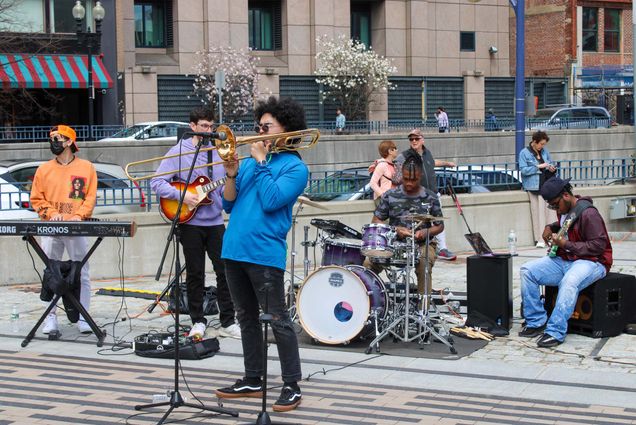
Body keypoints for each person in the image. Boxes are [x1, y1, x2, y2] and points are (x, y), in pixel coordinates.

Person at [215, 96, 307, 412]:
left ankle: (292, 385)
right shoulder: (253, 162)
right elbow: (227, 203)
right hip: (234, 248)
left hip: (264, 252)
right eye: (259, 126)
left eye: (267, 126)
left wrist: (262, 162)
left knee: (277, 319)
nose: (260, 131)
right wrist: (230, 173)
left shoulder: (295, 167)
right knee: (246, 318)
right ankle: (253, 378)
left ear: (287, 129)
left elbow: (271, 200)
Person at [150, 107, 240, 340]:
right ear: (192, 126)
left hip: (216, 222)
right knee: (195, 273)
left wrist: (231, 177)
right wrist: (182, 196)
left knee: (225, 271)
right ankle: (197, 320)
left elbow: (224, 189)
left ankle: (228, 321)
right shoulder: (179, 151)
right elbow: (157, 182)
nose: (209, 131)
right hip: (189, 222)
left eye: (211, 126)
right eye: (204, 126)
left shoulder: (220, 151)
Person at [518, 177, 612, 347]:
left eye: (555, 204)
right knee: (527, 271)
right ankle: (536, 321)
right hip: (566, 259)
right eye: (551, 206)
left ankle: (555, 331)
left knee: (569, 281)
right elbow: (566, 224)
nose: (555, 208)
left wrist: (565, 244)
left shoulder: (589, 214)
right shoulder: (566, 210)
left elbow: (599, 245)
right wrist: (550, 227)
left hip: (593, 262)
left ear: (566, 196)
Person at [30, 125, 97, 335]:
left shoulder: (86, 168)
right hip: (50, 226)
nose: (53, 142)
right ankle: (50, 320)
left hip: (76, 226)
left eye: (57, 138)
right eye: (51, 138)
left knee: (82, 271)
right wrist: (50, 213)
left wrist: (79, 216)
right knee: (50, 272)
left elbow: (90, 198)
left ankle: (84, 318)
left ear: (69, 142)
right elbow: (36, 198)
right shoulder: (43, 169)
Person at [365, 154, 444, 305]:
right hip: (393, 242)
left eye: (413, 180)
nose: (409, 183)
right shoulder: (390, 195)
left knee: (424, 263)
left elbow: (440, 225)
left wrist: (425, 233)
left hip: (422, 244)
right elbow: (376, 220)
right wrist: (395, 229)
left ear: (420, 176)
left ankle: (423, 312)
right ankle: (370, 307)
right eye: (406, 178)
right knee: (368, 265)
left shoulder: (430, 197)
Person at [394, 129, 457, 261]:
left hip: (433, 194)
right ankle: (416, 251)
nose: (414, 141)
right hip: (416, 196)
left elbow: (433, 163)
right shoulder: (405, 156)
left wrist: (447, 163)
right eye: (411, 139)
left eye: (416, 138)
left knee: (438, 221)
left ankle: (442, 249)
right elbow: (396, 174)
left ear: (423, 139)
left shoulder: (427, 153)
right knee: (417, 224)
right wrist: (382, 163)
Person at [519, 131, 557, 248]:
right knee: (537, 213)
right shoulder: (524, 153)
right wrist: (537, 167)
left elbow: (551, 163)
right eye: (541, 144)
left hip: (546, 184)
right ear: (534, 142)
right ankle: (540, 239)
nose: (542, 146)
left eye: (544, 144)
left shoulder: (544, 151)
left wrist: (551, 168)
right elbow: (523, 170)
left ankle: (551, 237)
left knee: (550, 213)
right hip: (534, 186)